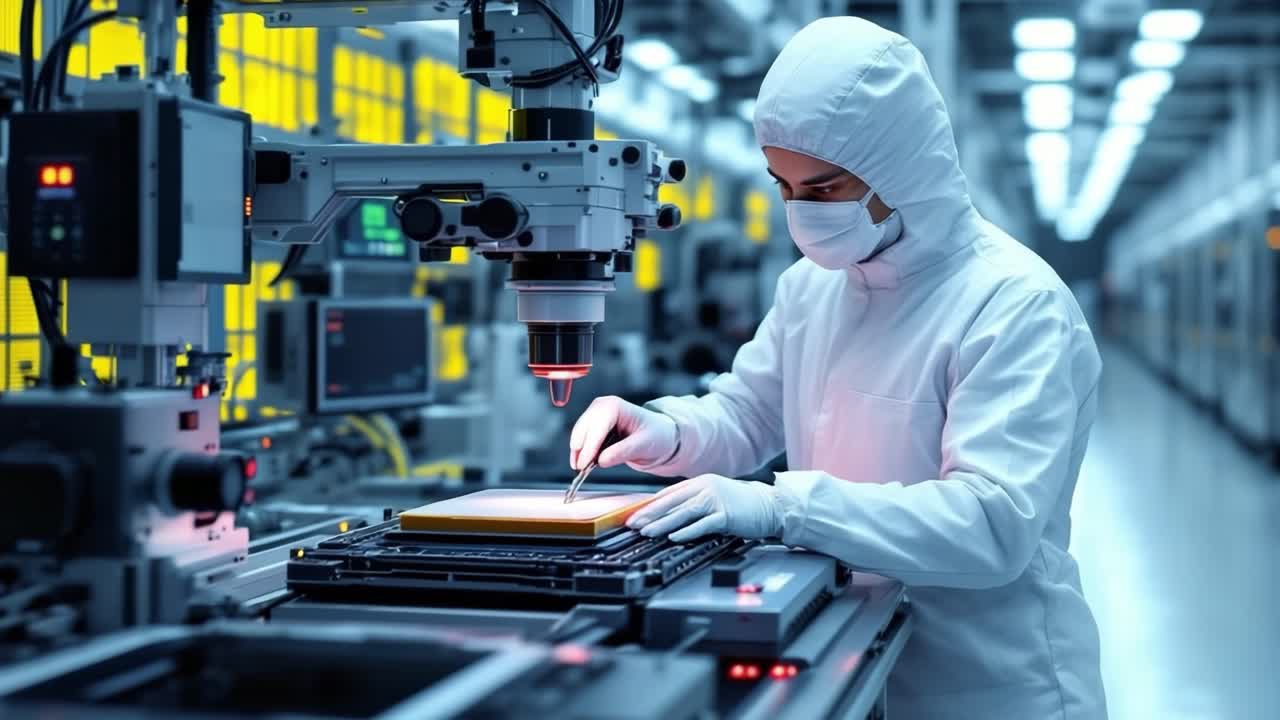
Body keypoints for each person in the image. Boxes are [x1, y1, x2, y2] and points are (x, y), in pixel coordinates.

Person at [568, 16, 1107, 720]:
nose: (798, 211)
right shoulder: (812, 287)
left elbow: (991, 525)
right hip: (848, 654)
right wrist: (665, 432)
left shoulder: (1014, 303)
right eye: (783, 185)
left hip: (988, 685)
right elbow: (748, 413)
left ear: (902, 171)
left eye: (822, 190)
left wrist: (782, 507)